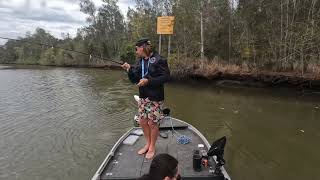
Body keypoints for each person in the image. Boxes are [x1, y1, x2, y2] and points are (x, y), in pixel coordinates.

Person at [121, 38, 170, 159]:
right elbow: (134, 80)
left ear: (142, 47)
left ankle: (152, 146)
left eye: (136, 49)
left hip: (155, 97)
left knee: (153, 123)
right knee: (143, 122)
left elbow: (166, 77)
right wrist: (129, 70)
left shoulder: (159, 60)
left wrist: (148, 81)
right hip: (143, 97)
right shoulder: (139, 62)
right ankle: (147, 144)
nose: (136, 51)